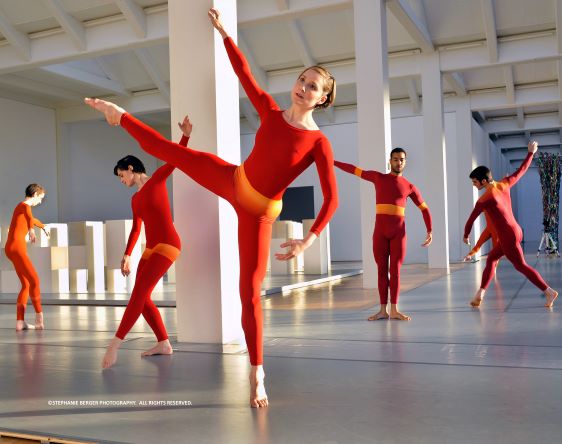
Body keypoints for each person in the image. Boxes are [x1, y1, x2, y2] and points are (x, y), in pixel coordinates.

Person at [85, 8, 338, 408]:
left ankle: (257, 372)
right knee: (173, 152)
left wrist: (307, 241)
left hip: (257, 213)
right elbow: (244, 74)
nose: (303, 88)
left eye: (313, 87)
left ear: (322, 98)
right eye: (302, 80)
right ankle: (120, 116)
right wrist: (224, 33)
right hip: (233, 179)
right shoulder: (271, 113)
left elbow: (331, 198)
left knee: (248, 293)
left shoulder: (318, 143)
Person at [102, 117, 192, 369]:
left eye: (121, 175)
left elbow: (176, 159)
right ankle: (163, 343)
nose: (121, 180)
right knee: (141, 297)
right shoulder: (135, 199)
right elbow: (136, 227)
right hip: (151, 248)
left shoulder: (157, 180)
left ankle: (114, 345)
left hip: (169, 244)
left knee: (139, 295)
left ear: (131, 168)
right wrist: (127, 254)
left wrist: (185, 136)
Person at [335, 148, 432, 321]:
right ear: (390, 161)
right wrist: (332, 162)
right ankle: (382, 310)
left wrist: (429, 230)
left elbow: (424, 208)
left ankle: (394, 310)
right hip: (380, 233)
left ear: (405, 162)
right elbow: (354, 170)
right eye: (395, 159)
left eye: (401, 159)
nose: (398, 162)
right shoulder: (378, 177)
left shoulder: (410, 186)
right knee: (381, 271)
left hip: (398, 234)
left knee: (395, 272)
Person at [463, 140, 558, 308]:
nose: (474, 185)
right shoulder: (504, 183)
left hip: (508, 235)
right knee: (491, 258)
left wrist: (465, 235)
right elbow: (522, 171)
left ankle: (548, 291)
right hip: (516, 230)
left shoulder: (484, 200)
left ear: (483, 181)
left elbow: (471, 220)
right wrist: (530, 153)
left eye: (475, 182)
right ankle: (480, 294)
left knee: (521, 265)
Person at [5, 184, 49, 331]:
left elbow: (32, 219)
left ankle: (20, 322)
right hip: (17, 249)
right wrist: (31, 230)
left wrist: (42, 226)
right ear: (35, 194)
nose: (41, 202)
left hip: (11, 249)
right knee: (35, 280)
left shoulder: (21, 208)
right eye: (41, 199)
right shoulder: (24, 205)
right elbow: (30, 218)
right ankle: (39, 319)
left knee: (26, 284)